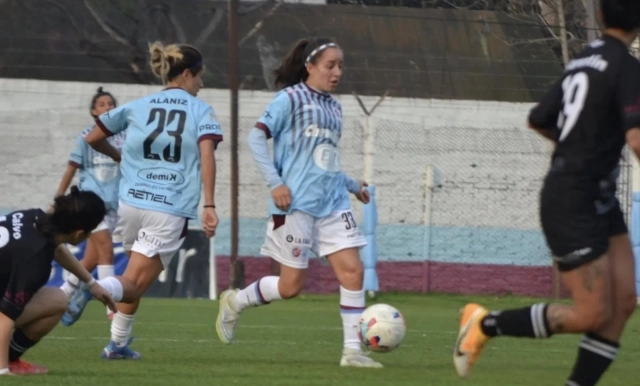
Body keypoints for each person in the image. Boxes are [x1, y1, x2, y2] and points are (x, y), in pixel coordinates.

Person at [453, 1, 640, 385]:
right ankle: (485, 322)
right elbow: (636, 138)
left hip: (595, 197)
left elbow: (539, 118)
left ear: (601, 15)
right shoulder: (626, 66)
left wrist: (573, 145)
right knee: (591, 314)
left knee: (622, 303)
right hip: (573, 202)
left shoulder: (583, 60)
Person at [215, 37, 381, 368]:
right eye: (330, 65)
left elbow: (325, 161)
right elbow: (255, 137)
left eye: (341, 66)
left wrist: (352, 185)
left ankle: (352, 352)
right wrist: (275, 183)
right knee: (291, 287)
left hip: (332, 204)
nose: (337, 73)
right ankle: (235, 301)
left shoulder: (335, 108)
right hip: (295, 206)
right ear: (310, 67)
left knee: (353, 271)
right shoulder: (289, 99)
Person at [61, 41, 223, 360]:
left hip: (131, 204)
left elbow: (92, 137)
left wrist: (119, 155)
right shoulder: (200, 110)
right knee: (132, 284)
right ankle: (91, 288)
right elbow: (207, 156)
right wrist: (209, 205)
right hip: (168, 207)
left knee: (135, 276)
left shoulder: (139, 105)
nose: (202, 84)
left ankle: (118, 343)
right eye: (201, 77)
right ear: (187, 74)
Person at [0, 187, 117, 376]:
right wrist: (2, 372)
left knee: (57, 299)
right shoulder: (35, 262)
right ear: (79, 233)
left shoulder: (34, 217)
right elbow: (4, 315)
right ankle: (5, 363)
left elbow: (57, 248)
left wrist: (91, 283)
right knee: (28, 308)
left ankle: (11, 359)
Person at [55, 87, 125, 321]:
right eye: (102, 104)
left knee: (92, 258)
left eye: (111, 103)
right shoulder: (86, 136)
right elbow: (71, 169)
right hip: (91, 204)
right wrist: (58, 199)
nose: (107, 107)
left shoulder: (124, 136)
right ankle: (109, 305)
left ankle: (64, 295)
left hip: (115, 204)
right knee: (106, 249)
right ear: (94, 111)